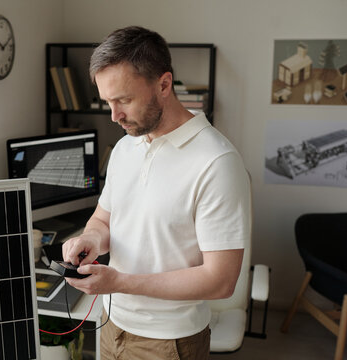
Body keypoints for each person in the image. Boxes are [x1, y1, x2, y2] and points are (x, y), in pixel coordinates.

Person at [62, 26, 251, 360]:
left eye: (123, 100)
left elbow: (220, 281)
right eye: (108, 102)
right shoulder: (124, 147)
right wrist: (91, 238)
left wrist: (118, 282)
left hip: (169, 342)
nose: (114, 115)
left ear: (164, 85)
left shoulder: (217, 162)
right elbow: (104, 219)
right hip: (111, 323)